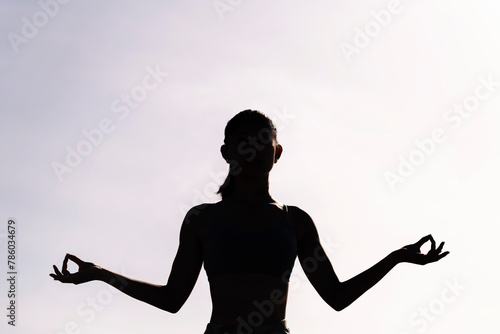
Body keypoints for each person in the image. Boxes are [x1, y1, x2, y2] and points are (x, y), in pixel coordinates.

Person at [50, 110, 449, 334]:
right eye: (243, 141)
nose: (253, 149)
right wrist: (101, 274)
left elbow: (336, 297)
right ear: (227, 152)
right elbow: (173, 300)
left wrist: (395, 258)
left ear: (277, 152)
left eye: (262, 141)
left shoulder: (296, 223)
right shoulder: (202, 220)